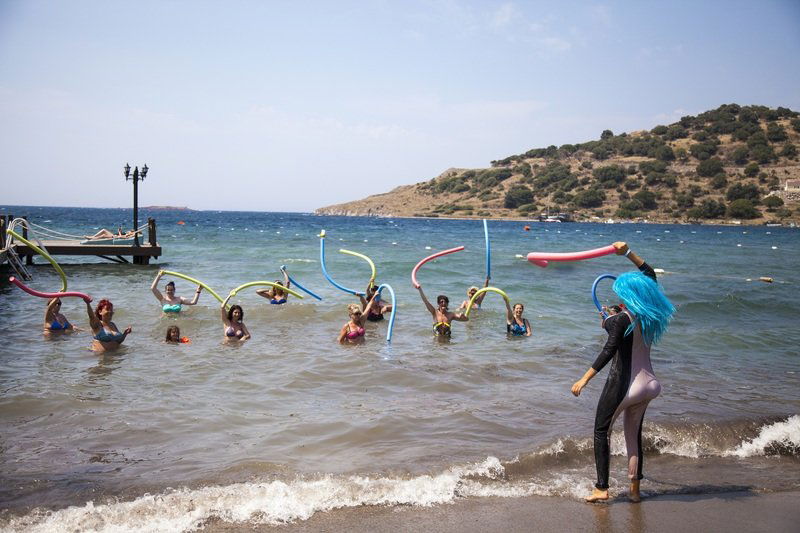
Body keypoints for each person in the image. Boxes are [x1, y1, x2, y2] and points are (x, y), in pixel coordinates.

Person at [571, 241, 675, 503]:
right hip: (649, 384)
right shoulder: (650, 315)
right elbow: (650, 276)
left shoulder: (619, 319)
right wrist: (628, 252)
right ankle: (635, 492)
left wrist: (584, 378)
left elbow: (609, 349)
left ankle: (601, 488)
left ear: (628, 296)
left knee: (601, 430)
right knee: (633, 435)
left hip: (625, 384)